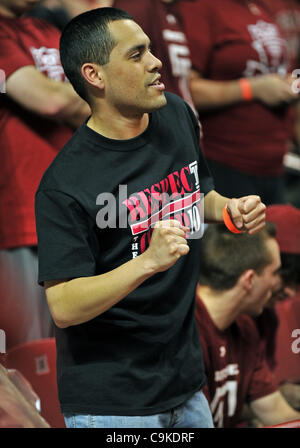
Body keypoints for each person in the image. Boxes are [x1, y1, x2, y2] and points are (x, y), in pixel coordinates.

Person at [35, 7, 266, 428]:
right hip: (112, 402)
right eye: (136, 54)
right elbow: (64, 304)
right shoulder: (64, 183)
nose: (156, 62)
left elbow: (199, 192)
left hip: (185, 380)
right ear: (95, 75)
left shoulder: (175, 115)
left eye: (151, 50)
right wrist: (147, 262)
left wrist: (229, 209)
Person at [0, 0, 90, 348]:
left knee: (73, 348)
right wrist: (93, 100)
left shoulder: (50, 32)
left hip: (73, 206)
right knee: (29, 352)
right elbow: (48, 99)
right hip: (20, 213)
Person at [178, 0, 299, 205]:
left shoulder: (260, 8)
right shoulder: (201, 8)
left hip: (274, 163)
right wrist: (252, 88)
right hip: (227, 161)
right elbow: (186, 89)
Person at [196, 223, 300, 427]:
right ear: (250, 280)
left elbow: (276, 412)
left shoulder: (245, 327)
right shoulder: (185, 332)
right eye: (275, 273)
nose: (277, 285)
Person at [113, 0, 195, 108]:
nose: (158, 63)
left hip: (181, 114)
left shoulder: (173, 10)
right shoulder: (135, 7)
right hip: (158, 117)